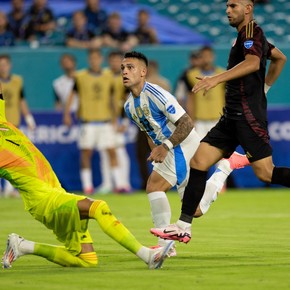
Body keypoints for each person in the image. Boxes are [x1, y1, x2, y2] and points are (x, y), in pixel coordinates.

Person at [151, 0, 289, 244]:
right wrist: (264, 88)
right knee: (199, 161)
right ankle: (183, 226)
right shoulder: (245, 36)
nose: (228, 10)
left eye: (233, 6)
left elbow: (254, 63)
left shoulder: (250, 32)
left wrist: (217, 79)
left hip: (247, 116)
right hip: (231, 116)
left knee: (266, 174)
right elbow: (279, 58)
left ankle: (188, 218)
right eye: (226, 6)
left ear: (248, 8)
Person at [0, 85, 173, 270]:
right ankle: (148, 255)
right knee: (99, 207)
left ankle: (23, 246)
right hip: (45, 201)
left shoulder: (2, 121)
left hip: (54, 195)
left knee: (86, 260)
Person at [121, 51, 249, 252]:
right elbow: (148, 131)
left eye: (130, 67)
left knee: (155, 187)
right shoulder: (129, 106)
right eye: (122, 68)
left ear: (143, 72)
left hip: (183, 146)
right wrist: (156, 151)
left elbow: (186, 123)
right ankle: (226, 165)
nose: (125, 72)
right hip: (169, 149)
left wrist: (165, 147)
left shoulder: (158, 95)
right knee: (194, 209)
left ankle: (165, 246)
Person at [63, 48, 122, 195]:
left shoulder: (109, 76)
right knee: (86, 153)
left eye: (96, 58)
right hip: (88, 121)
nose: (94, 61)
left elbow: (113, 99)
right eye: (92, 58)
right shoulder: (80, 76)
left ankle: (119, 184)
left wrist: (116, 119)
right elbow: (72, 94)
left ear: (101, 60)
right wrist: (67, 113)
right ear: (89, 60)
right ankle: (87, 186)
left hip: (105, 121)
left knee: (112, 151)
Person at [0, 54, 36, 197]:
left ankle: (9, 189)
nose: (2, 67)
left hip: (12, 125)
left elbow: (21, 100)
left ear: (10, 65)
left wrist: (29, 119)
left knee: (12, 158)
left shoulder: (17, 81)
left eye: (5, 64)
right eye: (0, 64)